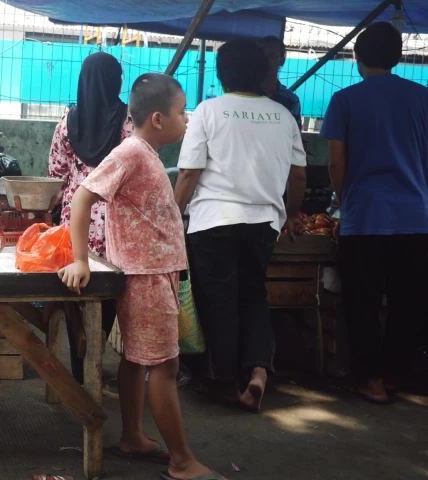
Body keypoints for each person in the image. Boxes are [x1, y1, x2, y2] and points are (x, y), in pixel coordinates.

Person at [59, 73, 225, 480]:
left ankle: (132, 436)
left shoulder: (145, 151)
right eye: (182, 111)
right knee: (165, 368)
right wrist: (81, 259)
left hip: (155, 273)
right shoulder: (131, 152)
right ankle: (182, 461)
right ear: (156, 118)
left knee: (136, 361)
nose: (186, 119)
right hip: (145, 277)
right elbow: (83, 196)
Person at [174, 39, 307, 412]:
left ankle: (221, 379)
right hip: (264, 222)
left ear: (221, 73)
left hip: (213, 221)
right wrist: (292, 213)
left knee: (218, 299)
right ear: (263, 72)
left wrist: (170, 215)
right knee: (253, 294)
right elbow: (299, 176)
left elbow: (188, 174)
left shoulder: (208, 111)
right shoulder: (283, 116)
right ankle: (259, 369)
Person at [320, 22, 428, 405]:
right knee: (408, 301)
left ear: (357, 56)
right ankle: (397, 374)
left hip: (364, 215)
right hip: (416, 217)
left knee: (363, 300)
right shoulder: (422, 97)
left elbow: (336, 162)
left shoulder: (345, 100)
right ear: (398, 58)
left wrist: (344, 202)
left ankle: (371, 379)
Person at [48, 52, 133, 385]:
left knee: (75, 290)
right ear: (117, 81)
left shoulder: (68, 122)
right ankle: (95, 356)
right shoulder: (129, 121)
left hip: (76, 220)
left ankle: (79, 368)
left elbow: (56, 173)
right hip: (114, 221)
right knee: (108, 291)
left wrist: (55, 209)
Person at [259, 36, 302, 129]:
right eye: (262, 56)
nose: (266, 61)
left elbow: (294, 137)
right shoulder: (245, 93)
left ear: (282, 60)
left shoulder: (291, 101)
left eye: (271, 56)